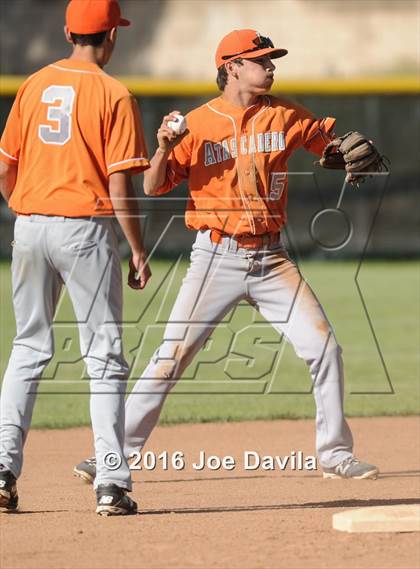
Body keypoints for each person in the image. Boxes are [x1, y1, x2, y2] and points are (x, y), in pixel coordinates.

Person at [74, 29, 379, 487]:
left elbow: (327, 144)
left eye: (271, 59)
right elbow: (153, 187)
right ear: (232, 67)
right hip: (216, 257)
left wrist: (343, 150)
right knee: (170, 358)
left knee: (325, 349)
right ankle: (111, 456)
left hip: (272, 260)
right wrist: (164, 148)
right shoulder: (198, 123)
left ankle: (336, 454)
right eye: (261, 60)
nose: (270, 67)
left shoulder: (286, 114)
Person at [0, 0, 151, 516]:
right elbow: (120, 184)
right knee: (104, 357)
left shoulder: (33, 84)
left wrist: (26, 213)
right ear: (113, 36)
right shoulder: (115, 93)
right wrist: (136, 247)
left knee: (28, 347)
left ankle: (2, 471)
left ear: (68, 33)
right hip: (84, 229)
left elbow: (6, 167)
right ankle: (111, 483)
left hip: (29, 225)